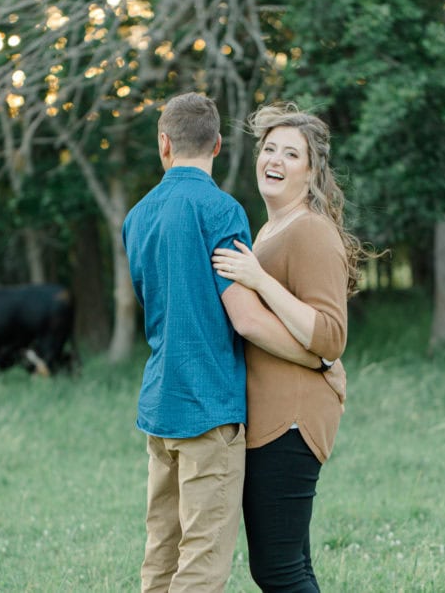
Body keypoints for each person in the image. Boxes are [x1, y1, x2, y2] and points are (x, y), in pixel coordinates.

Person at [122, 92, 321, 593]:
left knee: (161, 555)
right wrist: (315, 357)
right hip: (209, 410)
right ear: (216, 146)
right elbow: (247, 320)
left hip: (159, 405)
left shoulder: (137, 217)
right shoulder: (222, 210)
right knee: (203, 563)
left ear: (164, 144)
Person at [212, 102, 362, 593]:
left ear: (312, 170)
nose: (274, 159)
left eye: (290, 153)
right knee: (292, 566)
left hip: (291, 420)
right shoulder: (272, 229)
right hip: (274, 414)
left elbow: (330, 334)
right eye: (269, 148)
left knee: (277, 570)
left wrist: (258, 277)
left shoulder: (310, 230)